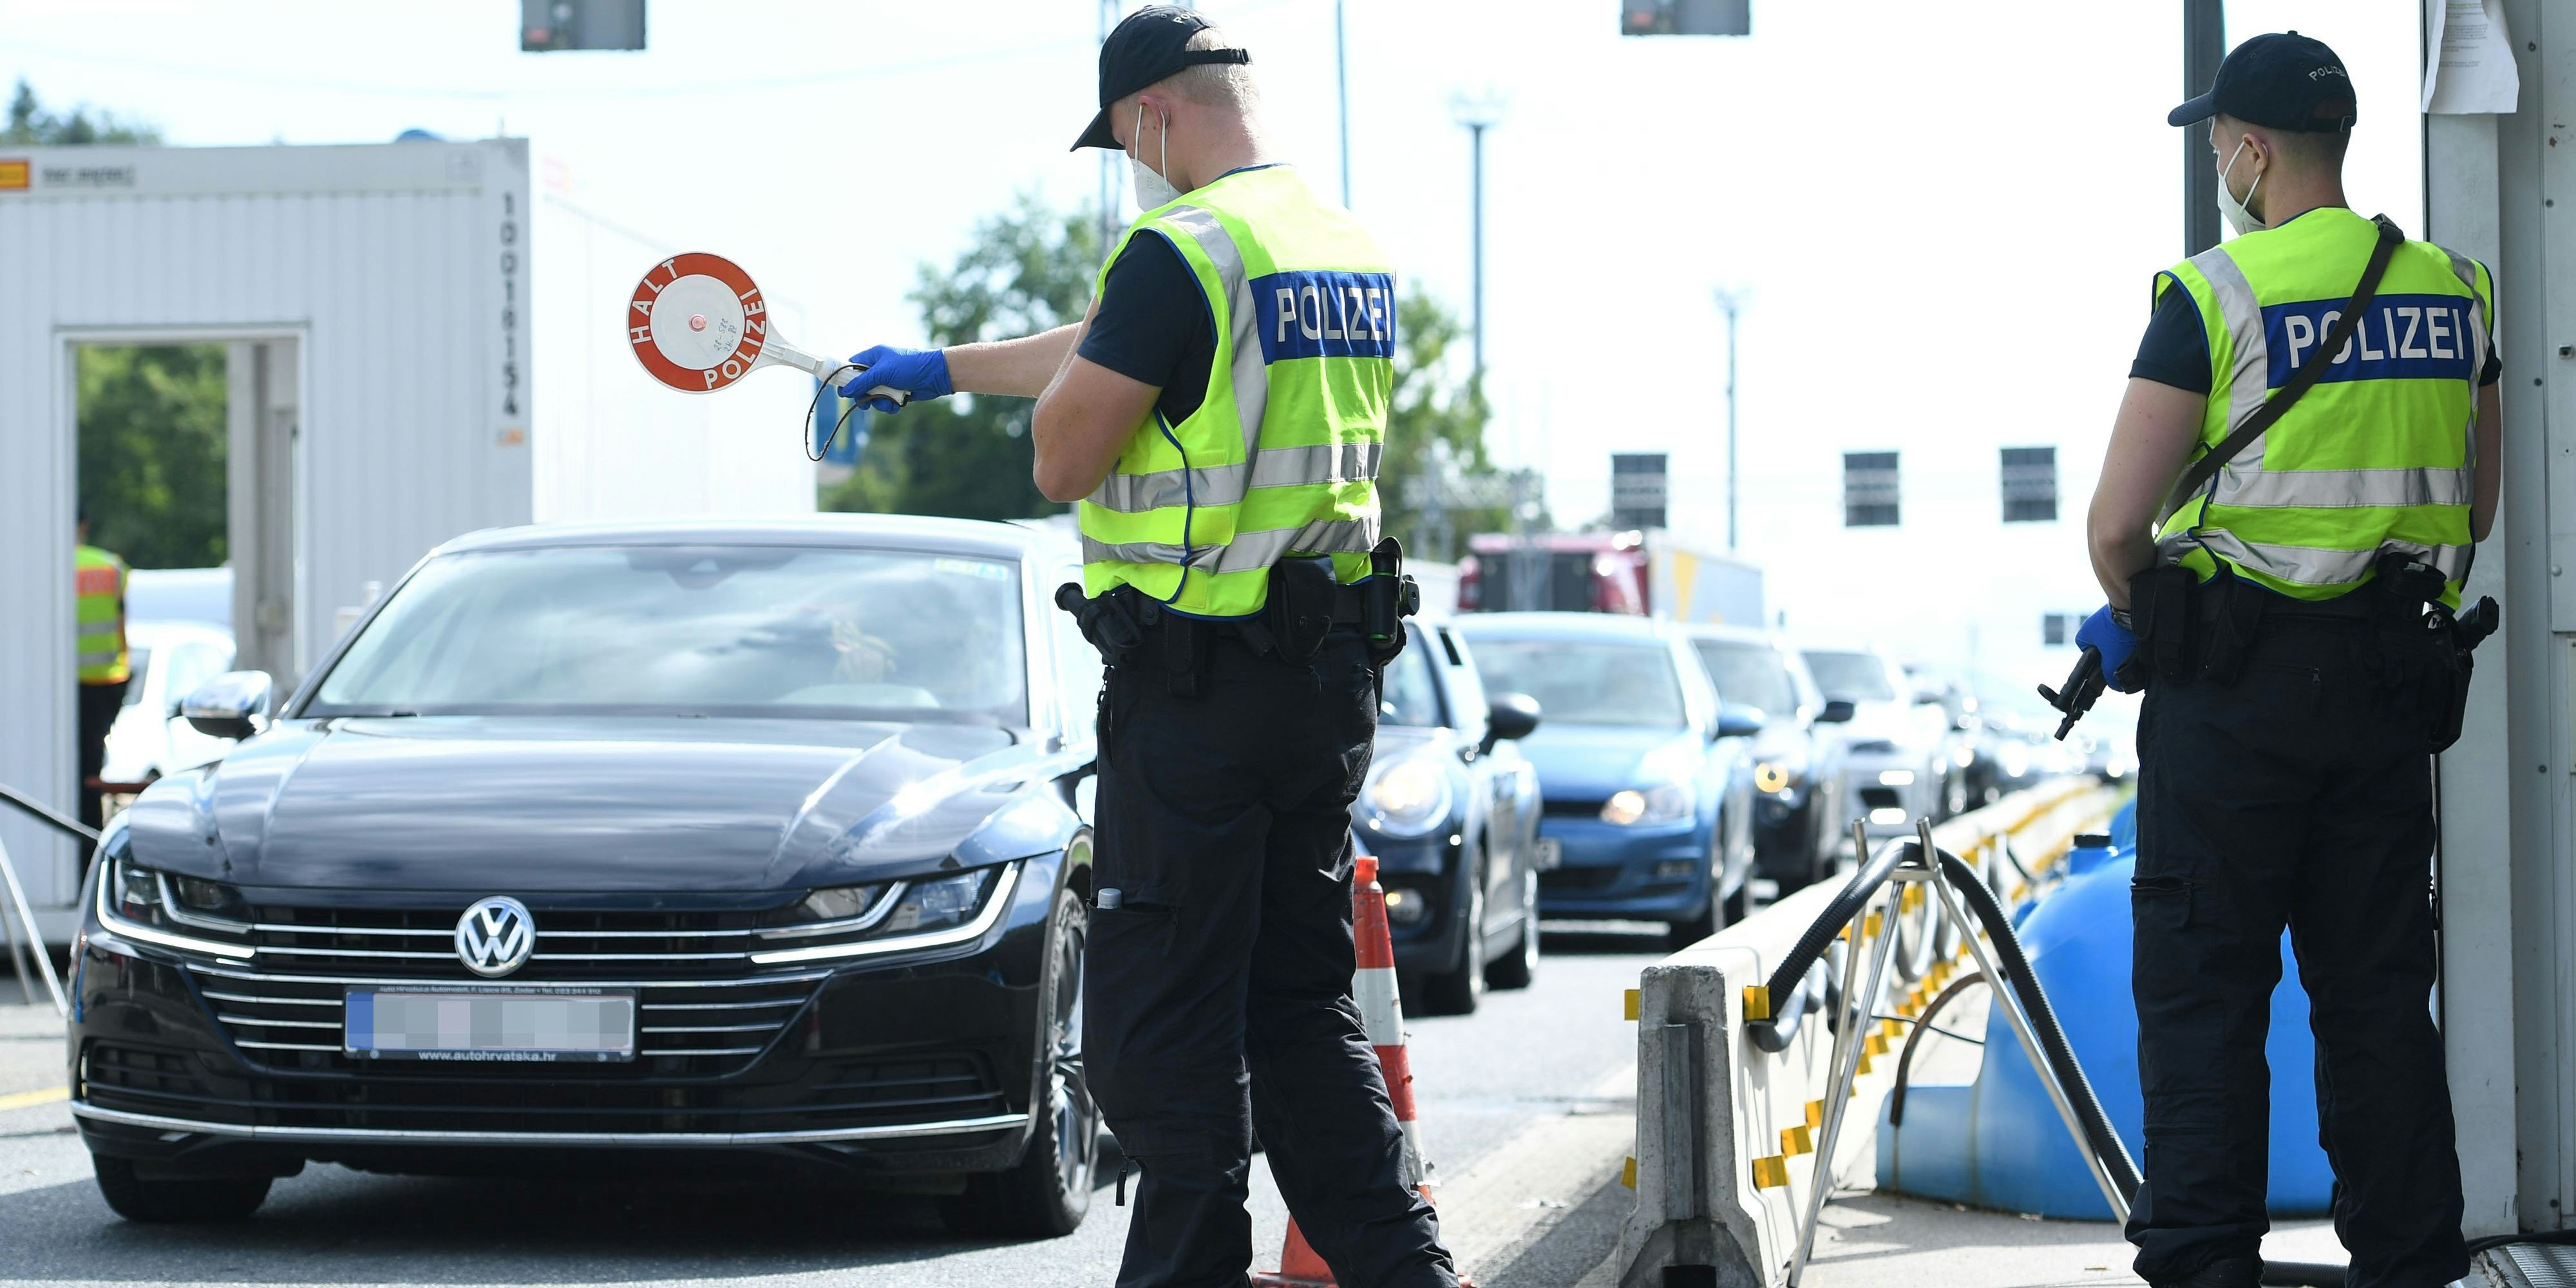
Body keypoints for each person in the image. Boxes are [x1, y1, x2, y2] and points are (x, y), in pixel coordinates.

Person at [836, 9, 1455, 1286]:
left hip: (1199, 692)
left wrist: (1033, 404)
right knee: (1298, 1009)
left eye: (1122, 140)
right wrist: (942, 367)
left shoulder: (1175, 247)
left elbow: (1067, 449)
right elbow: (1134, 348)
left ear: (1152, 113)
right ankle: (1409, 1270)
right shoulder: (1330, 245)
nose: (1129, 163)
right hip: (1323, 685)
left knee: (1155, 1041)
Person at [2077, 32, 2499, 1288]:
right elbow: (2469, 513)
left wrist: (2151, 611)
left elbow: (2113, 526)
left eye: (2217, 142)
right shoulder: (2453, 290)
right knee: (2373, 997)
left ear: (2248, 149)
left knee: (2205, 997)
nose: (2218, 163)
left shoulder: (2212, 296)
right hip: (2383, 694)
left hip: (2234, 707)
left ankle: (2206, 1266)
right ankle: (2410, 1262)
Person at [74, 510, 132, 842]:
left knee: (71, 777)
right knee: (91, 776)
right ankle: (90, 846)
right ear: (84, 526)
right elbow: (122, 622)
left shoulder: (47, 563)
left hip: (65, 685)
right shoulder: (111, 566)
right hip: (106, 681)